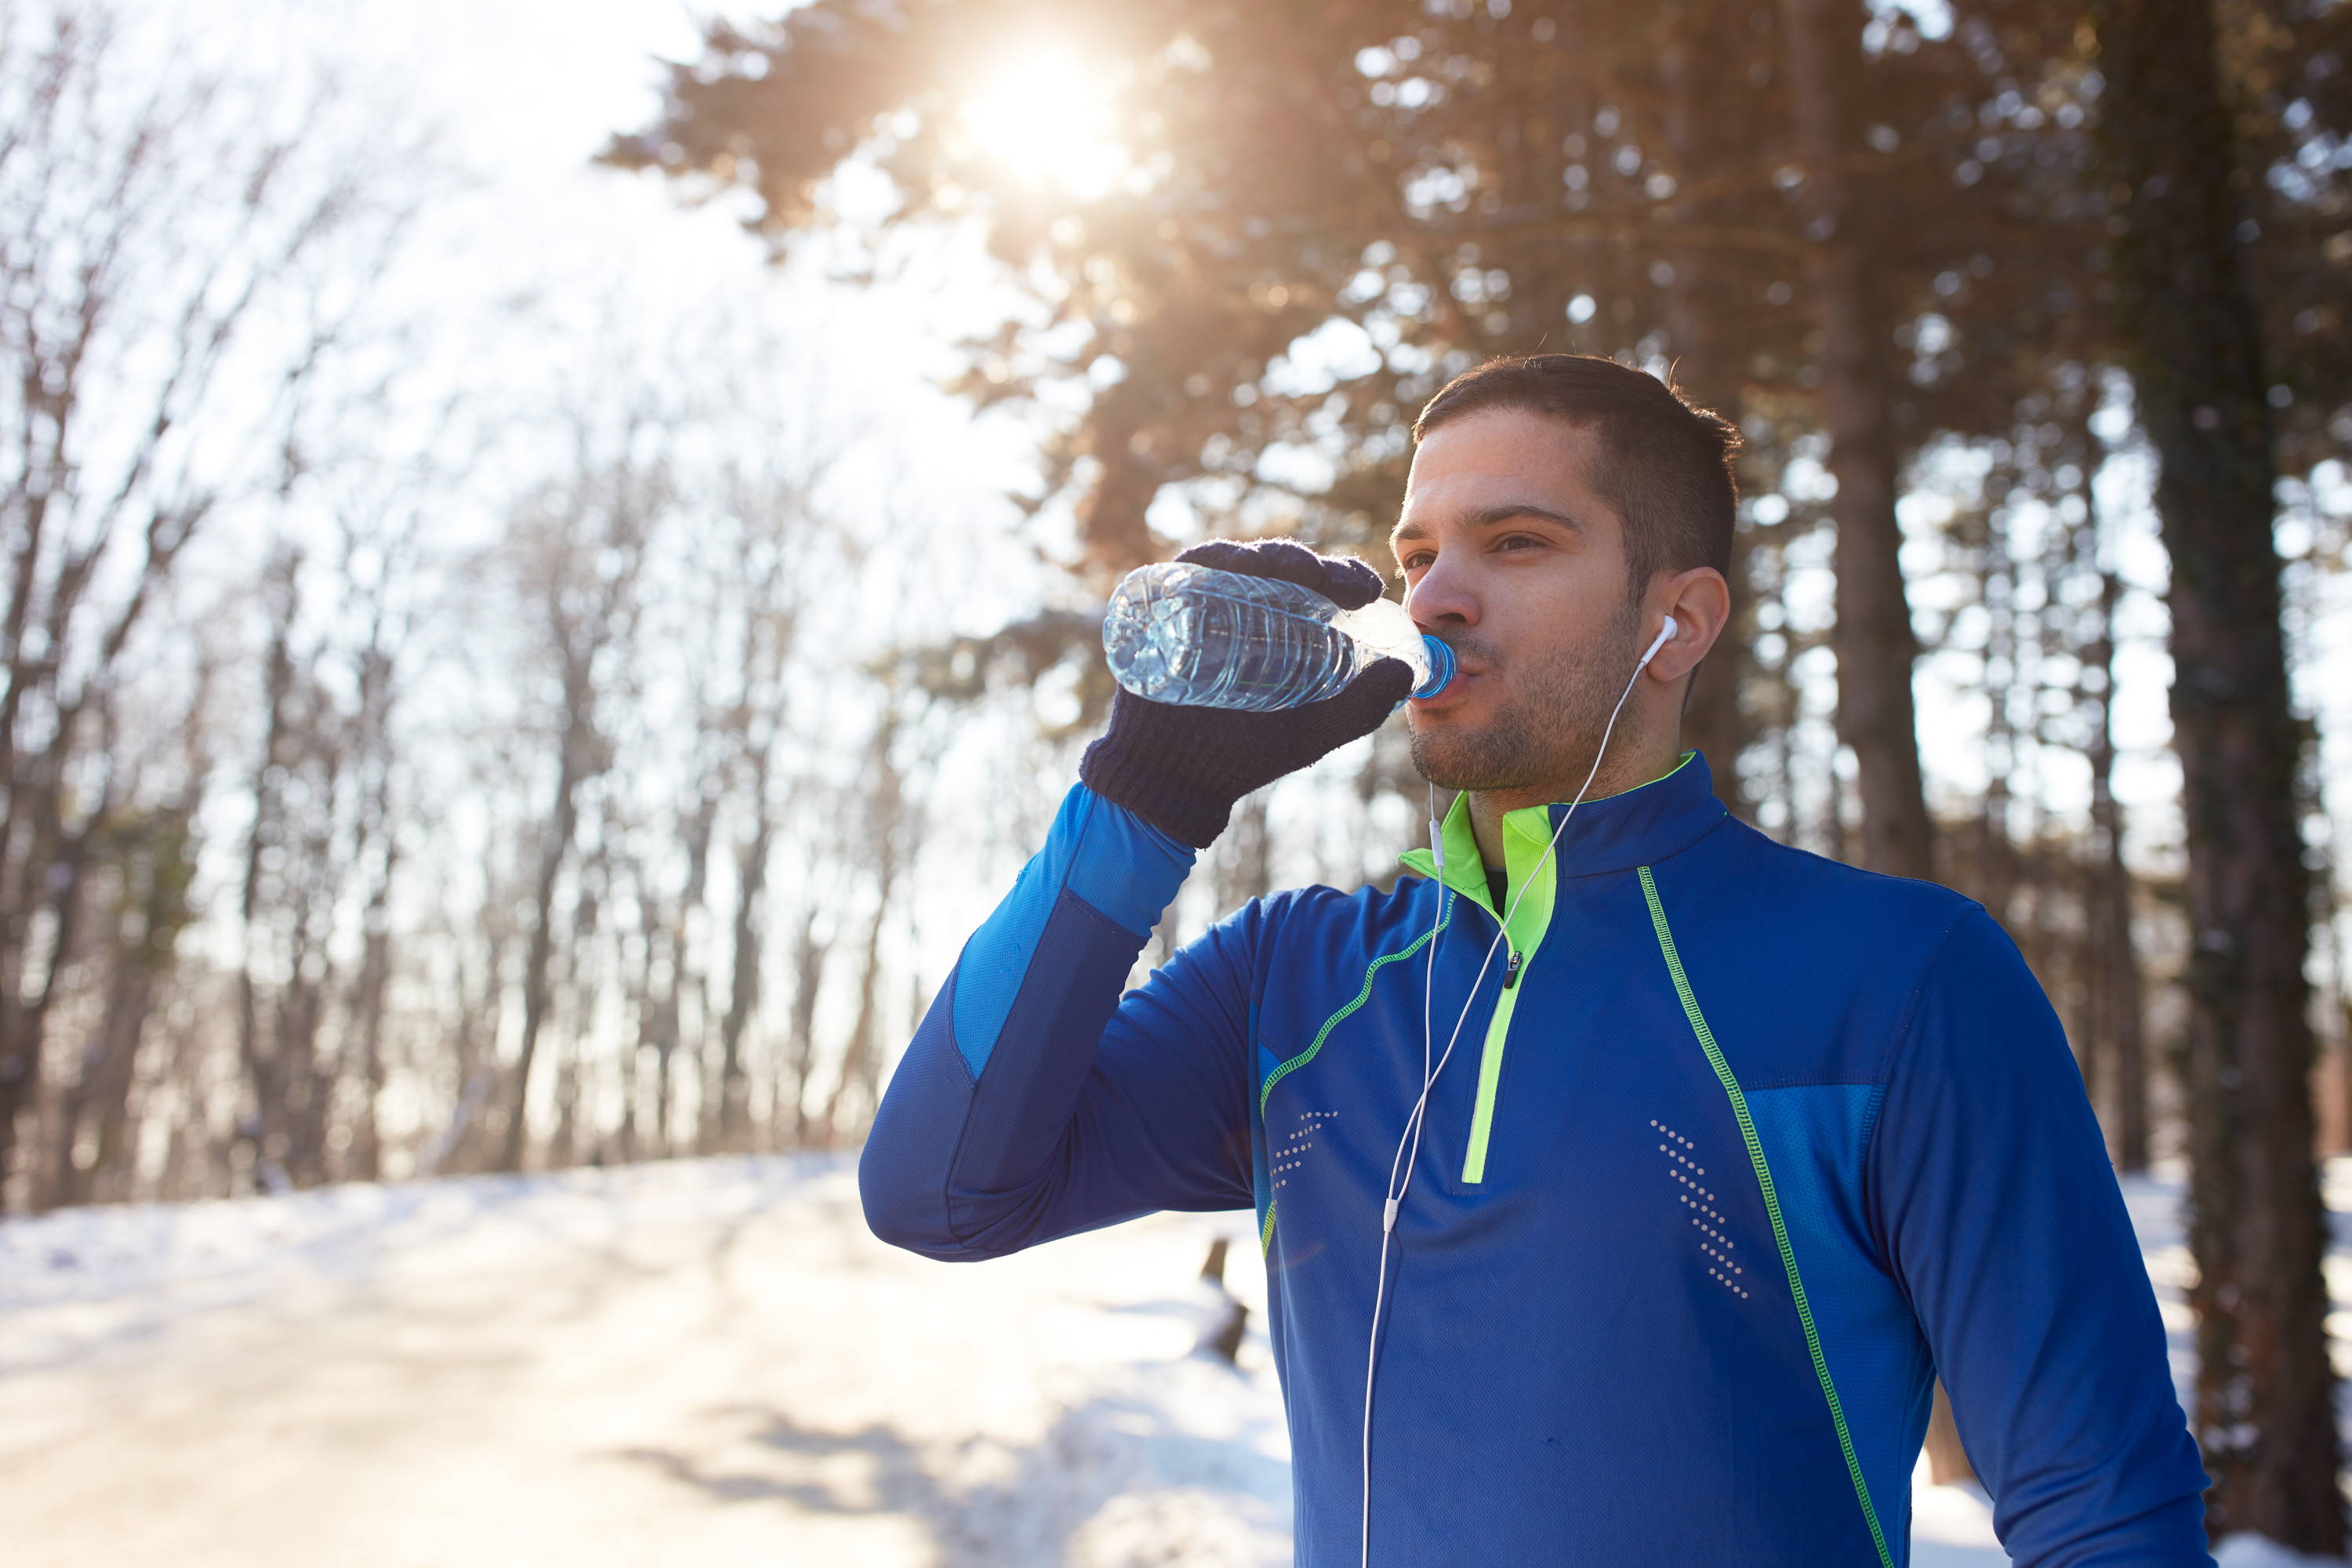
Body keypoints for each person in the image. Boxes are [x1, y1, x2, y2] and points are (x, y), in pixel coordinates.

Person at [858, 353, 2211, 1566]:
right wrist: (1143, 798)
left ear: (1674, 623)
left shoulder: (1899, 982)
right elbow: (940, 1192)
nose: (1438, 595)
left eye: (1515, 542)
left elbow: (2108, 1519)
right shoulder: (1295, 981)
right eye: (1418, 552)